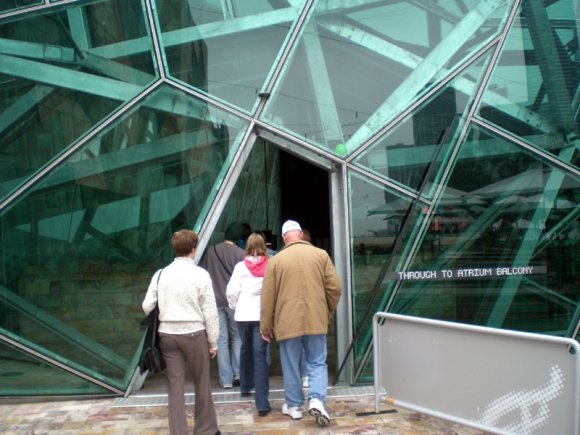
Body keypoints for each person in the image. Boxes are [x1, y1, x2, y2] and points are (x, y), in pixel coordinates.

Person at [260, 220, 342, 427]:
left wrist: (266, 325)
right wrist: (327, 309)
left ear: (285, 237)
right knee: (316, 362)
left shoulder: (276, 261)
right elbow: (335, 287)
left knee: (291, 364)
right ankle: (316, 399)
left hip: (287, 322)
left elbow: (268, 297)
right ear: (299, 234)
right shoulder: (320, 255)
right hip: (316, 319)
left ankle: (294, 406)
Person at [142, 230, 220, 435]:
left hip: (167, 334)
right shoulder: (201, 275)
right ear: (193, 250)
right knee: (201, 382)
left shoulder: (160, 274)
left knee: (174, 388)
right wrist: (213, 341)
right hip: (195, 333)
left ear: (175, 249)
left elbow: (146, 306)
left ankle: (178, 432)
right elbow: (210, 311)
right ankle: (206, 429)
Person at [226, 233, 271, 416]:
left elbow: (231, 291)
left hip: (243, 314)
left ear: (247, 246)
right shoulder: (270, 266)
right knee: (260, 356)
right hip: (261, 315)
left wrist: (236, 307)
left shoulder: (240, 267)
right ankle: (261, 404)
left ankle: (245, 386)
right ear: (264, 246)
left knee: (245, 348)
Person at [199, 222, 244, 389]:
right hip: (234, 302)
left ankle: (225, 380)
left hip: (215, 301)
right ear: (239, 237)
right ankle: (239, 373)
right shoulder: (241, 253)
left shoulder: (210, 251)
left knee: (221, 340)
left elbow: (203, 273)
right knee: (237, 337)